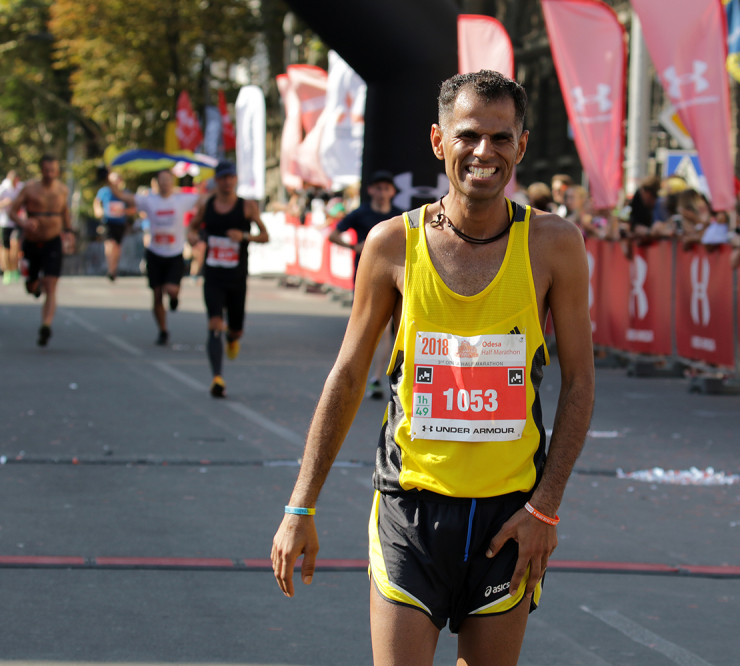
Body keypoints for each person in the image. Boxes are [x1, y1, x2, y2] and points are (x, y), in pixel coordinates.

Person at [270, 70, 595, 666]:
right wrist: (300, 506)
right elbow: (348, 375)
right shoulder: (392, 244)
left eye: (501, 138)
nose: (483, 152)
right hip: (410, 512)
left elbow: (580, 384)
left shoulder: (554, 245)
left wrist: (545, 508)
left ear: (521, 146)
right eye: (468, 135)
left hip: (509, 516)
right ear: (439, 141)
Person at [186, 160, 269, 398]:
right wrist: (192, 238)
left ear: (236, 179)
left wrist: (244, 236)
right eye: (223, 178)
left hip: (237, 277)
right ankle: (217, 378)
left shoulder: (247, 207)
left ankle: (232, 338)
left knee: (235, 330)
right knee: (214, 325)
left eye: (231, 177)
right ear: (216, 180)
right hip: (213, 275)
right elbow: (192, 228)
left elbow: (265, 236)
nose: (227, 182)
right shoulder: (207, 205)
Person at [328, 170, 404, 400]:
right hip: (365, 279)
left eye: (386, 188)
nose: (382, 193)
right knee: (366, 329)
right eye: (378, 188)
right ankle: (357, 377)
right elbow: (333, 235)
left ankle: (377, 378)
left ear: (392, 192)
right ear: (370, 190)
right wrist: (354, 247)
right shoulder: (360, 213)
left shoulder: (399, 217)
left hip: (393, 279)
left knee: (387, 330)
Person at [112, 170, 203, 345]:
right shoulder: (149, 200)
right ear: (157, 182)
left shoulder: (182, 199)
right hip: (154, 252)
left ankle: (174, 298)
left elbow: (204, 200)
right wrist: (110, 181)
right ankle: (163, 330)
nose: (165, 183)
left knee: (171, 289)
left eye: (168, 180)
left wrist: (194, 227)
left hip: (174, 253)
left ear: (172, 181)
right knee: (157, 294)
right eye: (162, 180)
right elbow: (123, 197)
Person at [7, 155, 73, 346]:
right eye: (46, 170)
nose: (50, 174)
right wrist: (24, 223)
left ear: (57, 171)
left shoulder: (62, 189)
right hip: (32, 242)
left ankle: (46, 325)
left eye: (53, 170)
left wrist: (69, 232)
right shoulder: (30, 189)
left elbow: (65, 212)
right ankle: (35, 285)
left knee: (51, 285)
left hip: (53, 241)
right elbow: (12, 211)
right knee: (31, 286)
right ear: (41, 170)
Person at [93, 167, 132, 281]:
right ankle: (110, 269)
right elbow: (97, 203)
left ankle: (114, 268)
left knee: (117, 247)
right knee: (110, 244)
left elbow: (133, 208)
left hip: (120, 223)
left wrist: (123, 211)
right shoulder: (104, 191)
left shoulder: (125, 193)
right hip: (108, 222)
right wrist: (99, 211)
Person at [1, 169, 23, 284]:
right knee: (6, 248)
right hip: (5, 222)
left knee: (15, 244)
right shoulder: (3, 188)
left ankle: (14, 268)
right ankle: (7, 270)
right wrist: (5, 203)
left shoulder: (20, 188)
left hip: (17, 222)